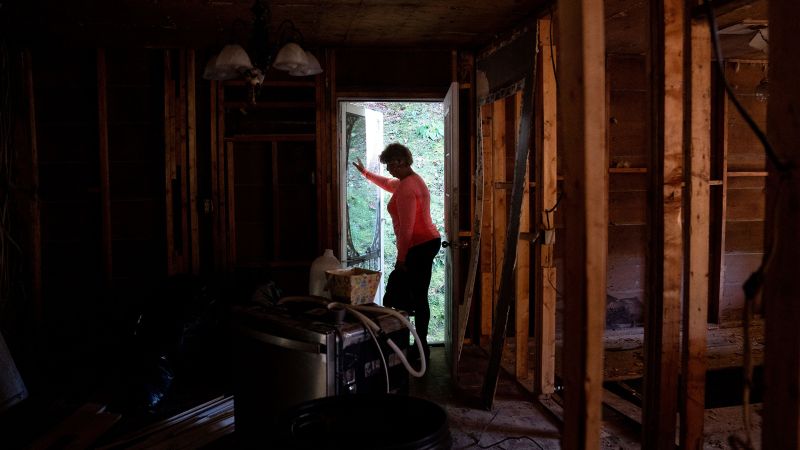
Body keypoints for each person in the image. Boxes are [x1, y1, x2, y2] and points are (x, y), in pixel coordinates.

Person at [353, 143, 441, 363]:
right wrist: (365, 173)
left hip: (420, 245)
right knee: (416, 297)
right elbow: (388, 183)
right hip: (426, 243)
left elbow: (406, 229)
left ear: (400, 162)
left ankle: (418, 350)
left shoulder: (407, 188)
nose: (388, 170)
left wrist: (401, 259)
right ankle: (417, 347)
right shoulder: (411, 181)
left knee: (413, 298)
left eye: (390, 165)